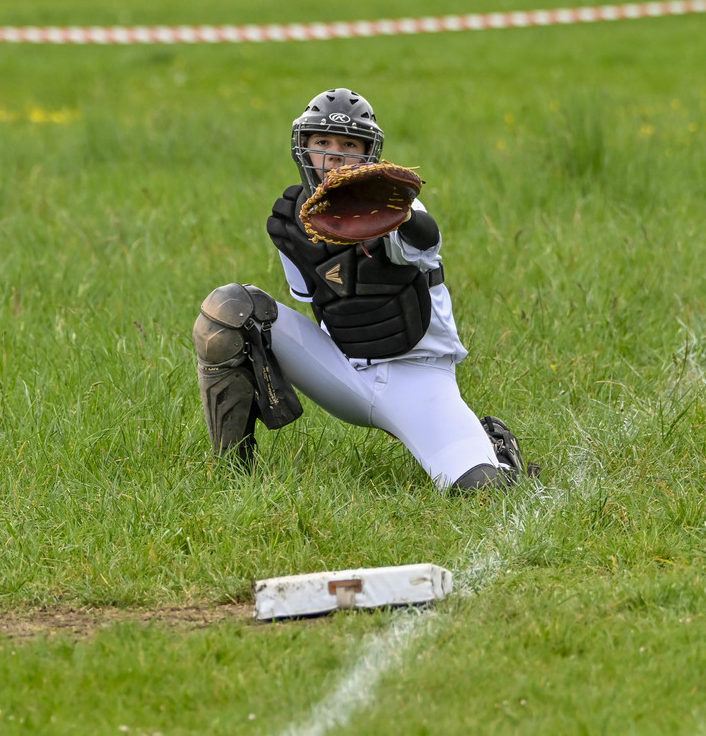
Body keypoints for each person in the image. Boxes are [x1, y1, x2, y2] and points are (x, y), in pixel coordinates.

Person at [191, 87, 534, 492]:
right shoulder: (291, 221)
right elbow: (317, 304)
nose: (334, 156)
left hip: (419, 377)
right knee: (229, 309)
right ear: (303, 148)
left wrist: (399, 214)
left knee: (482, 491)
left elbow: (424, 239)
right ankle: (233, 472)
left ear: (369, 154)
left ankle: (494, 447)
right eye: (322, 142)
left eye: (349, 145)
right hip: (343, 370)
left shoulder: (396, 207)